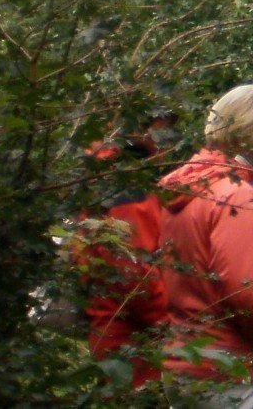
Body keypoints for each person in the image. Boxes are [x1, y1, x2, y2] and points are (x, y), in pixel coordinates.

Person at [158, 85, 253, 407]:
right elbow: (246, 292)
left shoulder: (188, 187)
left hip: (185, 362)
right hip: (229, 374)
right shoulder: (236, 195)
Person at [72, 113, 179, 389]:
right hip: (131, 342)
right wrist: (172, 330)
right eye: (163, 124)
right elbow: (135, 274)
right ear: (139, 128)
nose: (168, 135)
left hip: (110, 329)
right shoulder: (126, 184)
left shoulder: (105, 170)